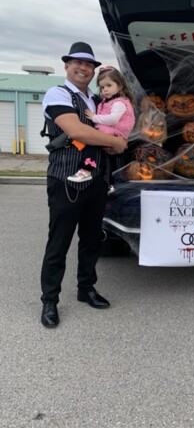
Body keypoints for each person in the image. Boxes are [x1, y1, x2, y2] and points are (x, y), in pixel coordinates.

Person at [40, 42, 128, 328]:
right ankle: (50, 300)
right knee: (59, 241)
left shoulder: (96, 100)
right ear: (66, 65)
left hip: (96, 180)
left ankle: (85, 288)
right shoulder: (58, 93)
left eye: (88, 64)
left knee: (91, 240)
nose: (83, 68)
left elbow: (109, 129)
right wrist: (116, 142)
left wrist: (114, 142)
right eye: (77, 63)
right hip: (67, 179)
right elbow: (76, 130)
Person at [67, 66, 136, 185]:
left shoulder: (119, 102)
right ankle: (110, 183)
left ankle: (85, 171)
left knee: (92, 144)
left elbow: (113, 119)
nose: (105, 90)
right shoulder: (107, 101)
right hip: (112, 131)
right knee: (107, 160)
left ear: (119, 86)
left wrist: (94, 117)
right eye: (102, 87)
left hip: (115, 131)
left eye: (109, 85)